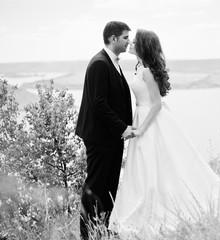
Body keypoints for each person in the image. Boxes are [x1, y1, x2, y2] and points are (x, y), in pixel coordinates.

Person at [108, 29, 220, 238]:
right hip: (142, 118)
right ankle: (145, 212)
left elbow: (156, 104)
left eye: (135, 41)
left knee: (154, 166)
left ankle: (157, 213)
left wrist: (142, 128)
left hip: (149, 122)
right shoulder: (139, 66)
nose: (131, 43)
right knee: (145, 168)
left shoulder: (147, 71)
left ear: (143, 46)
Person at [75, 21, 135, 240]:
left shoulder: (112, 62)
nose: (129, 41)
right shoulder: (99, 63)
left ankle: (103, 228)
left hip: (112, 136)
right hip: (100, 137)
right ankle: (87, 234)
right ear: (113, 38)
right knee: (95, 185)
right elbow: (98, 103)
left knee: (109, 185)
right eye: (126, 37)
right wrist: (123, 127)